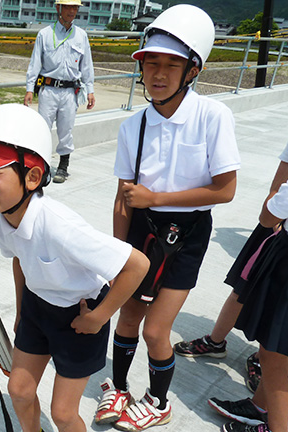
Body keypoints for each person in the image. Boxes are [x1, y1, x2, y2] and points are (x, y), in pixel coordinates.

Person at [0, 104, 149, 432]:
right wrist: (21, 311)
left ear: (32, 177)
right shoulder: (1, 219)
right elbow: (20, 259)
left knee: (63, 413)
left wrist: (99, 317)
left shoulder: (59, 225)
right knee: (18, 390)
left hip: (80, 317)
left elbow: (137, 265)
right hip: (37, 308)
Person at [94, 5, 241, 431]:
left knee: (156, 331)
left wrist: (156, 196)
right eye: (151, 63)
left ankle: (158, 402)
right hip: (142, 231)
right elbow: (123, 199)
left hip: (189, 233)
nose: (157, 74)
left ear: (192, 70)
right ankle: (119, 387)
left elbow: (225, 189)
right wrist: (118, 254)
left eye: (170, 65)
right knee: (127, 316)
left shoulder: (213, 116)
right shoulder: (133, 126)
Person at [174, 117, 288, 393]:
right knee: (244, 285)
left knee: (280, 305)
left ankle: (262, 359)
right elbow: (285, 169)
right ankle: (216, 341)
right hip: (279, 219)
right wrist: (274, 205)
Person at [210, 162, 288, 432]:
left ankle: (275, 428)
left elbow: (267, 217)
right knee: (278, 348)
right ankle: (259, 405)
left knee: (273, 358)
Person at [23, 0, 95, 184]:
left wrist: (90, 90)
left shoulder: (81, 36)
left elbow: (87, 65)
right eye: (68, 7)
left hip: (70, 91)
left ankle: (63, 166)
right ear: (58, 8)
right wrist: (30, 89)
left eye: (75, 8)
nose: (72, 11)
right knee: (43, 129)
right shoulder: (45, 34)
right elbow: (35, 64)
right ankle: (43, 166)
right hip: (48, 89)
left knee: (66, 130)